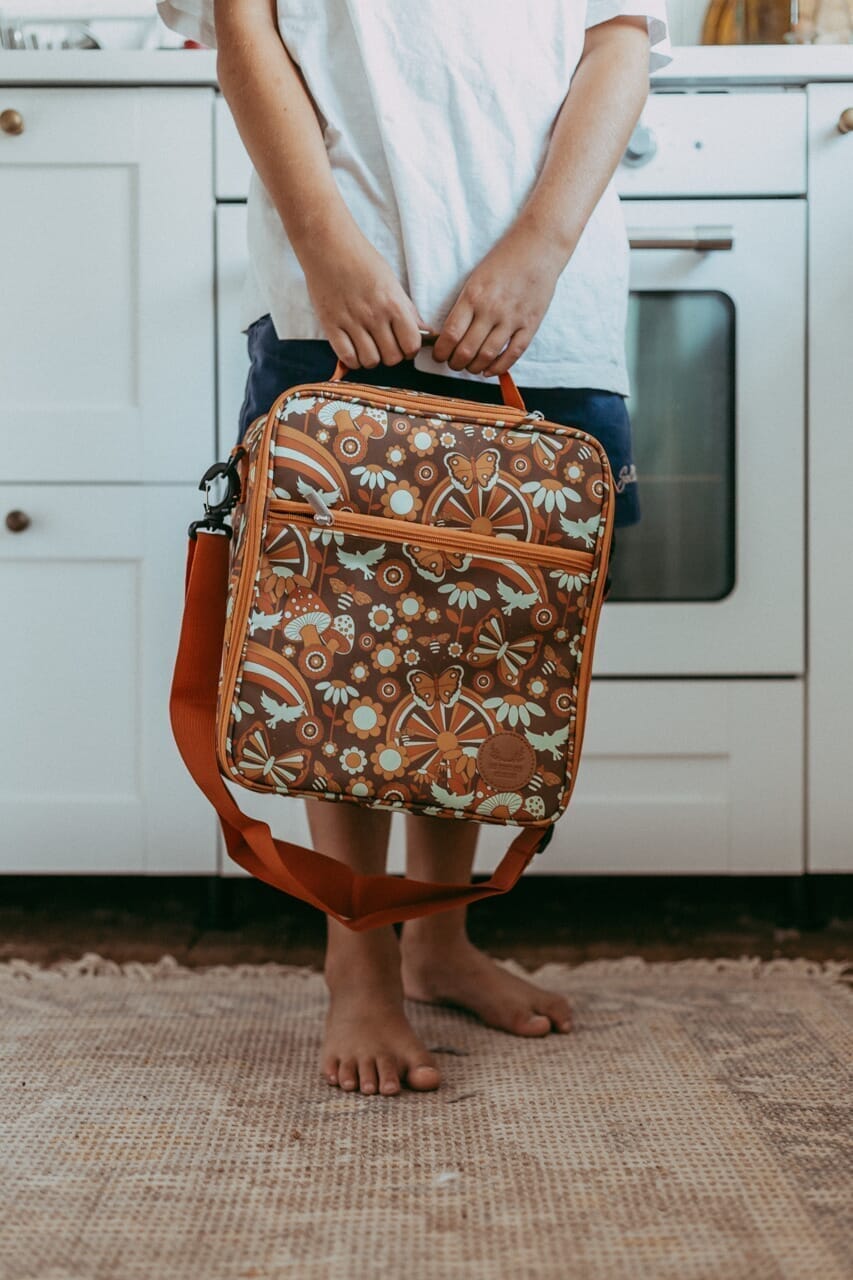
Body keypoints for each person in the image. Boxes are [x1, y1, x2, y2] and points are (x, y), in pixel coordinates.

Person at [158, 0, 674, 1098]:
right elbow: (239, 26)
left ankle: (438, 940)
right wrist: (325, 244)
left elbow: (619, 39)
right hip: (349, 301)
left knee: (482, 648)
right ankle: (359, 963)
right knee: (340, 646)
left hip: (549, 307)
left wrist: (538, 252)